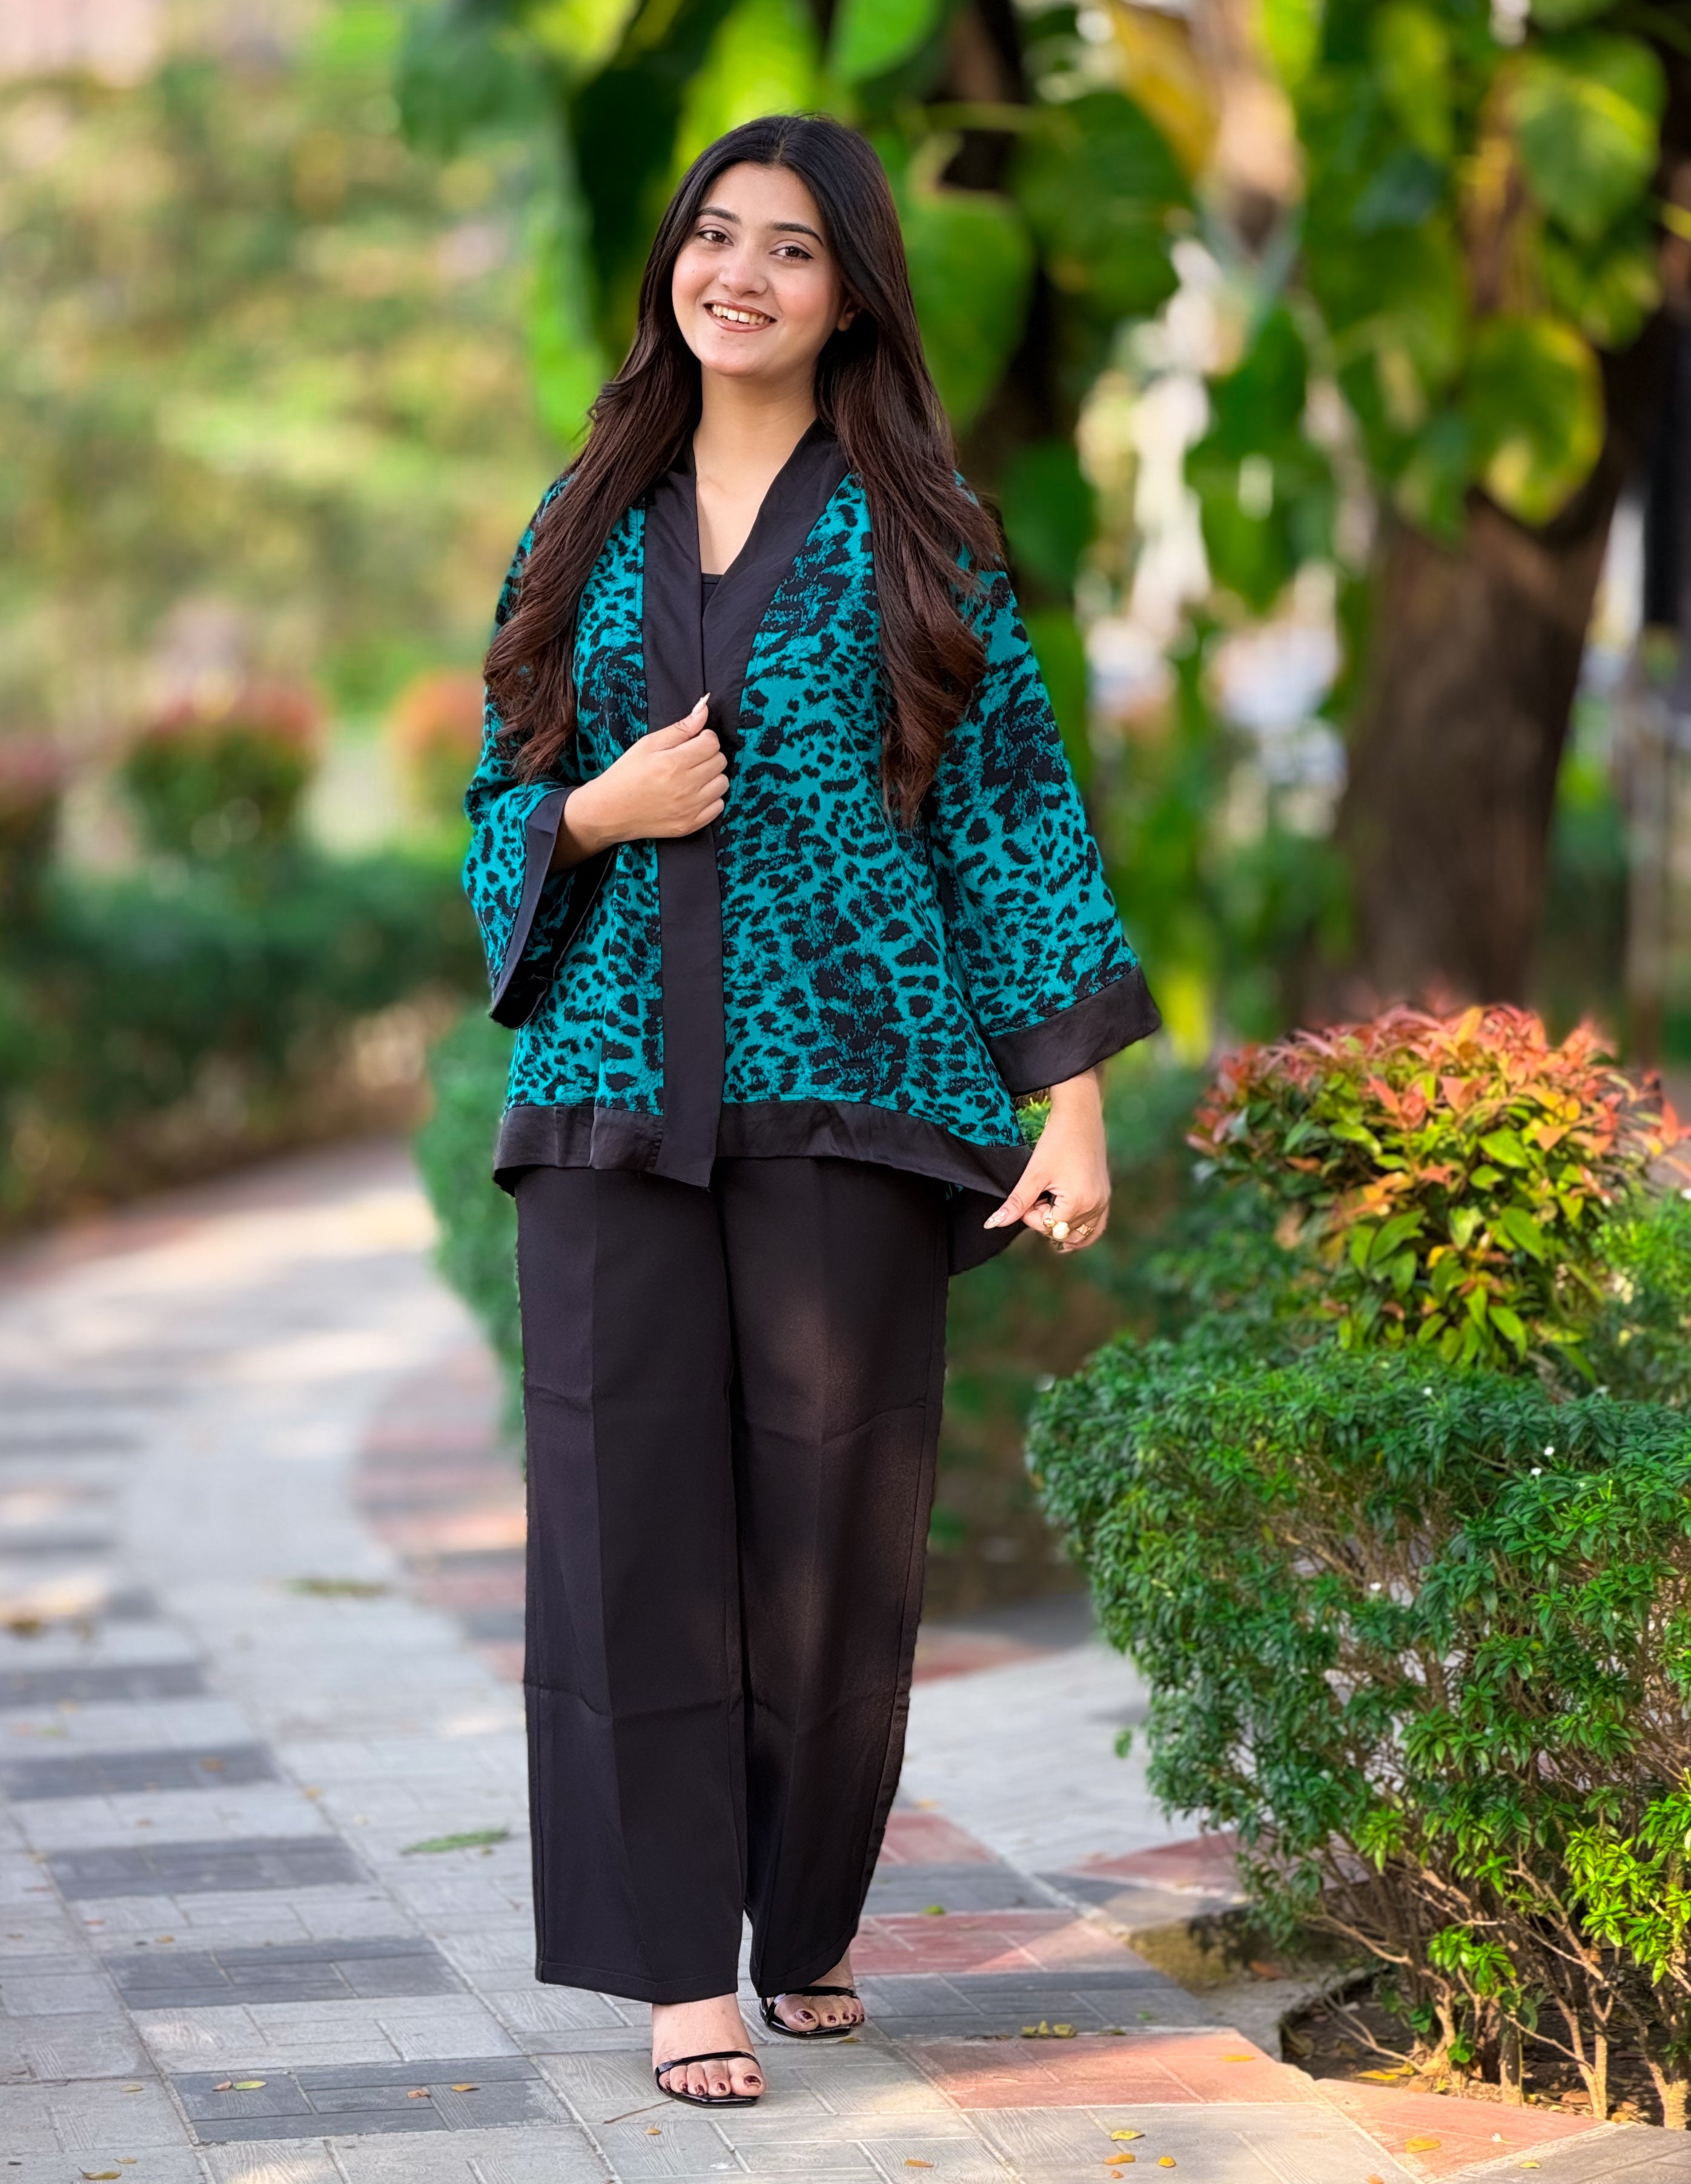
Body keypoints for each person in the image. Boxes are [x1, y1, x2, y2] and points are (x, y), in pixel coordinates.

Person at [464, 114, 1158, 2108]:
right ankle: (682, 1965)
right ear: (672, 267)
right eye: (711, 235)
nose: (738, 274)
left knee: (834, 1527)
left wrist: (1073, 1100)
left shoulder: (922, 525)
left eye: (788, 247)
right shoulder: (578, 521)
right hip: (607, 1089)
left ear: (851, 290)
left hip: (853, 1082)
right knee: (627, 1529)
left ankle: (808, 1906)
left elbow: (1013, 813)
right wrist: (597, 812)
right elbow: (497, 802)